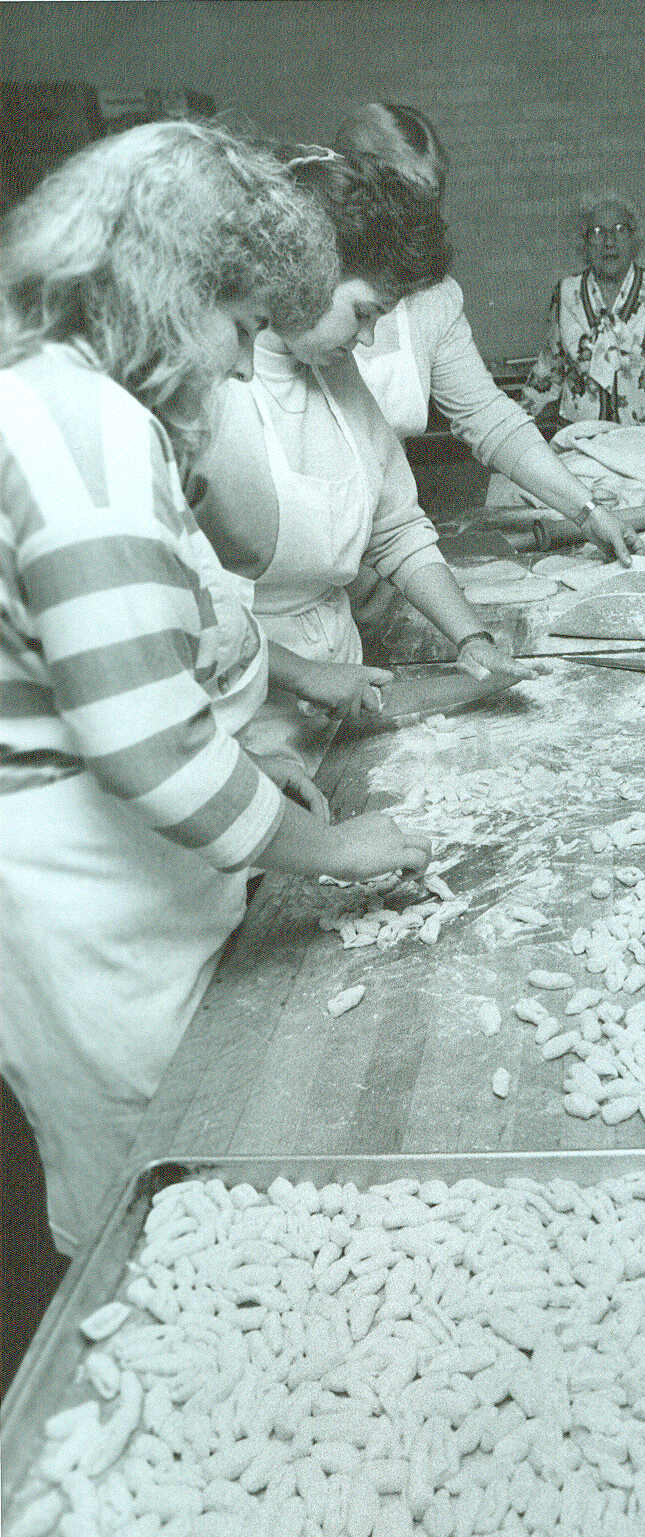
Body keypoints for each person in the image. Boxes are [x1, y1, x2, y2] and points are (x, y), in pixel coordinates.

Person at [0, 122, 431, 1256]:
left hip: (124, 872)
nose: (245, 363)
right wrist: (336, 849)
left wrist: (248, 772)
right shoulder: (77, 430)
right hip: (89, 906)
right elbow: (148, 751)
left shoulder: (62, 399)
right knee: (154, 1229)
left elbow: (135, 683)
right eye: (242, 325)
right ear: (168, 287)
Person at [195, 148, 532, 786]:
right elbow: (189, 608)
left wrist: (472, 640)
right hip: (234, 720)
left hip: (340, 699)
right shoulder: (212, 393)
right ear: (308, 270)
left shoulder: (336, 372)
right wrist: (305, 675)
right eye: (365, 311)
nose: (369, 337)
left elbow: (397, 529)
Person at [334, 103, 638, 567]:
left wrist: (587, 511)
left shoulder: (433, 296)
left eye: (428, 203)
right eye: (403, 204)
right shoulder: (309, 290)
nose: (416, 223)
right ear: (356, 196)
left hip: (384, 532)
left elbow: (490, 419)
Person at [520, 191, 645, 445]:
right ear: (584, 243)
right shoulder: (566, 293)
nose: (608, 241)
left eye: (619, 229)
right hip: (581, 442)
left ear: (634, 238)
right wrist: (516, 430)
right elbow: (549, 370)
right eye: (597, 231)